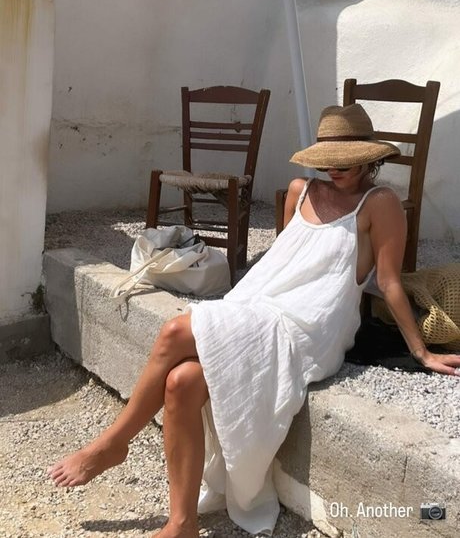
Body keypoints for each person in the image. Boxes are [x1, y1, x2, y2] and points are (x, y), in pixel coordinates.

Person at [48, 104, 460, 538]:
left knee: (174, 331)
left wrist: (421, 352)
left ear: (369, 158)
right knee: (181, 382)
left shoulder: (380, 204)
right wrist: (239, 307)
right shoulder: (301, 190)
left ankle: (113, 443)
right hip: (262, 304)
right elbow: (283, 264)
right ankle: (182, 522)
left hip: (311, 326)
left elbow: (389, 281)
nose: (335, 170)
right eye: (328, 161)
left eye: (347, 161)